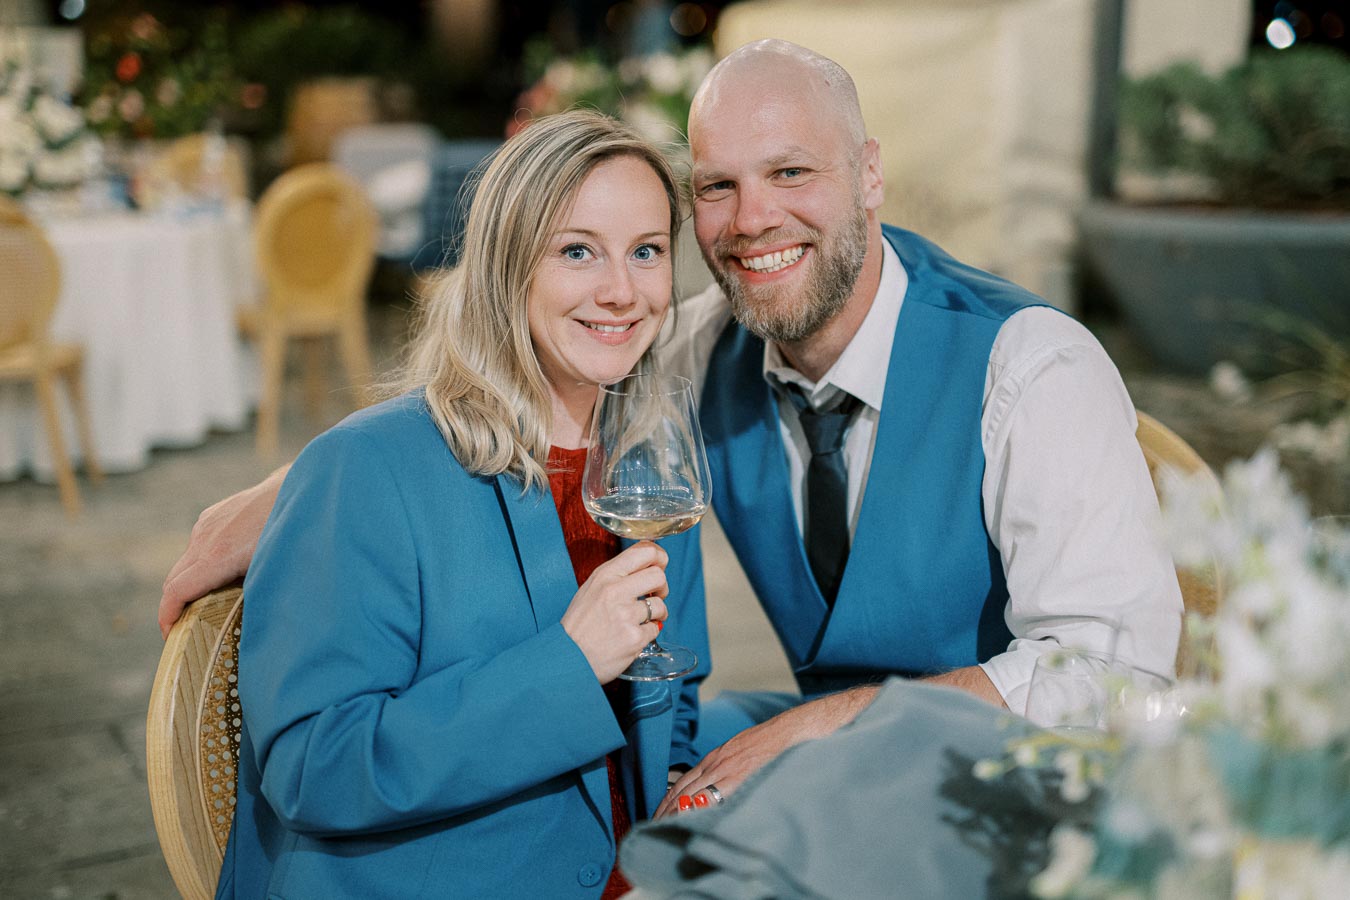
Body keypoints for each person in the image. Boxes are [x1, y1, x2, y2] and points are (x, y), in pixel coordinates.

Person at [163, 41, 1181, 818]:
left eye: (792, 174)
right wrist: (297, 487)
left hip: (1018, 784)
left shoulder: (1030, 366)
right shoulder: (705, 345)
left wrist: (835, 722)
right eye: (717, 187)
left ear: (869, 176)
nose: (751, 221)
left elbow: (1117, 674)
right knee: (657, 780)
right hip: (830, 754)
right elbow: (526, 358)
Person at [212, 110, 709, 899]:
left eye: (646, 252)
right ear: (507, 269)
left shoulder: (644, 466)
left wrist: (685, 781)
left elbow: (671, 697)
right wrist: (568, 668)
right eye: (577, 251)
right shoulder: (366, 469)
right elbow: (315, 766)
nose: (622, 291)